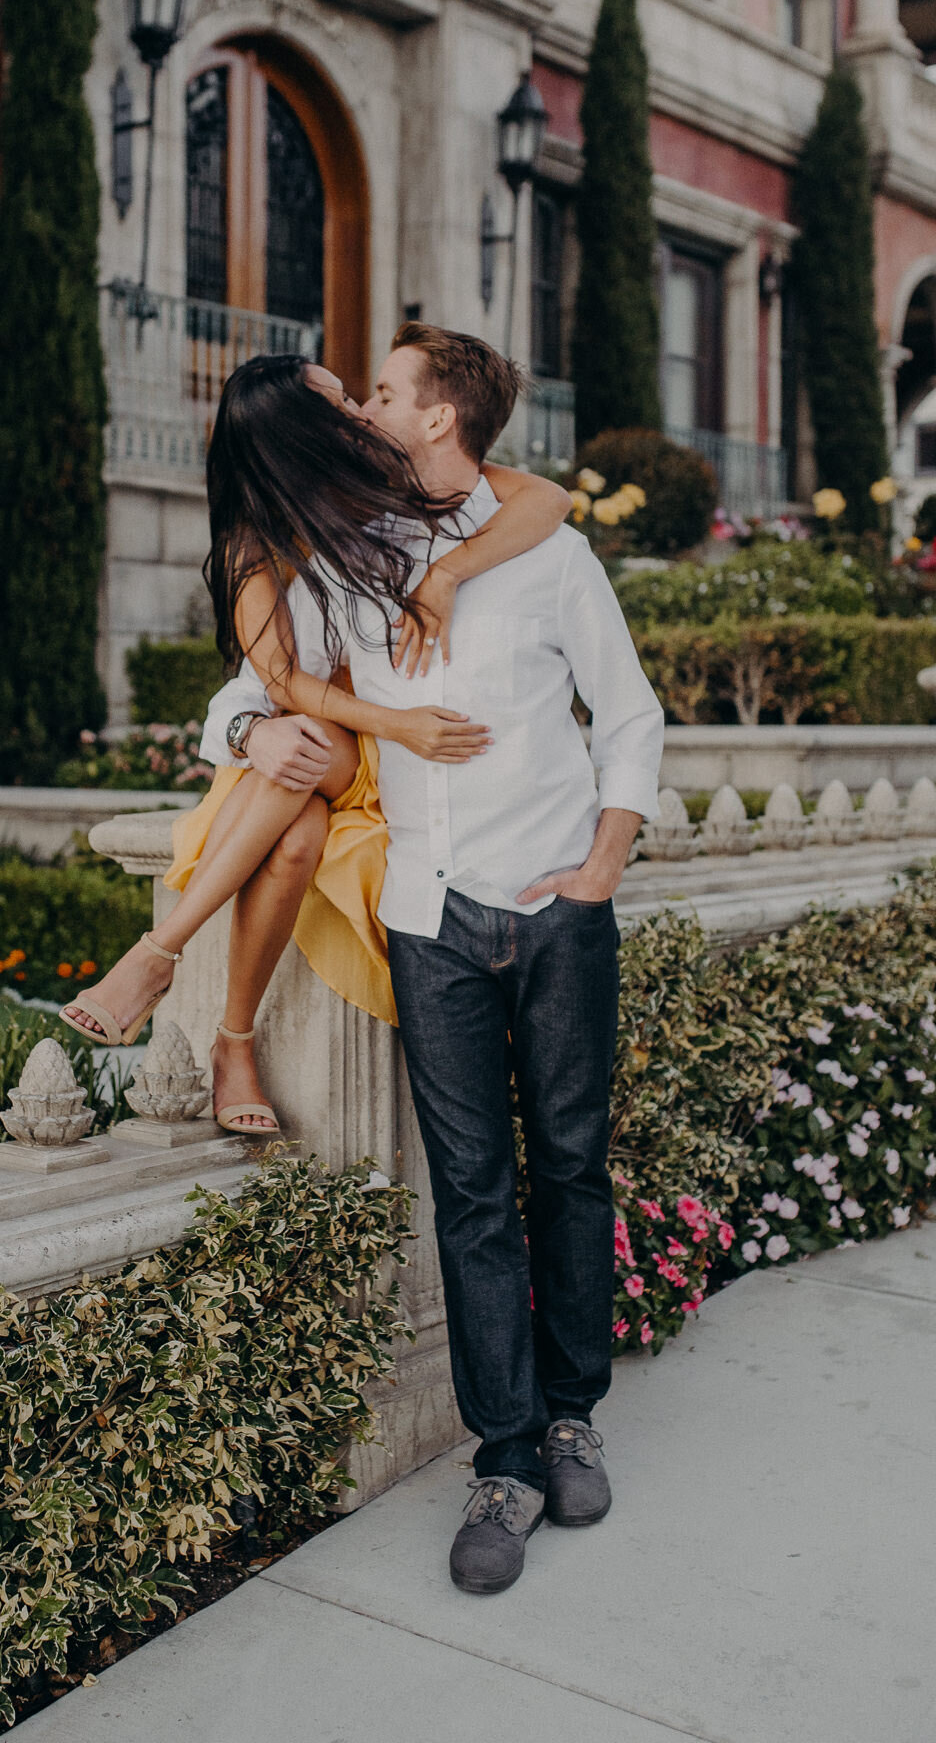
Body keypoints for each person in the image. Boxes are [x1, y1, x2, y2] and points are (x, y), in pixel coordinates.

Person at [203, 321, 665, 1591]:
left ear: (437, 418)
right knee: (469, 1190)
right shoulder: (344, 552)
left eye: (386, 388)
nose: (362, 398)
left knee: (568, 1165)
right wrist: (252, 736)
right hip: (429, 912)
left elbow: (628, 714)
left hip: (559, 904)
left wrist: (602, 865)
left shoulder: (548, 549)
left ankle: (572, 1411)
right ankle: (505, 1457)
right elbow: (253, 682)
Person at [60, 351, 572, 1134]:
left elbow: (547, 497)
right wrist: (369, 725)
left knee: (297, 761)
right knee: (294, 826)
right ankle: (232, 1041)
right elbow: (281, 683)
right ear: (300, 427)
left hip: (361, 753)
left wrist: (448, 574)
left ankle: (158, 954)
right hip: (331, 745)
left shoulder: (394, 492)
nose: (360, 410)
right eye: (339, 400)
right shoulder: (251, 544)